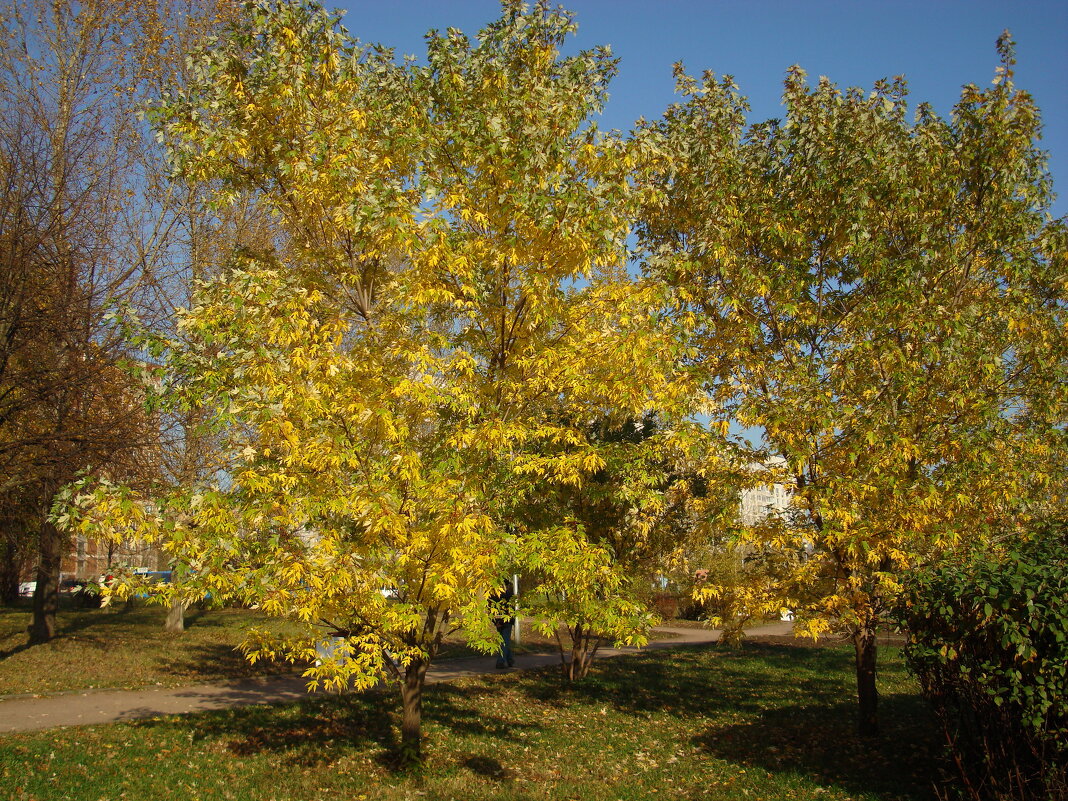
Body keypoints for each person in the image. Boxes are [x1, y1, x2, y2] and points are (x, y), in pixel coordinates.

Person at [490, 578, 516, 669]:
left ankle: (510, 660)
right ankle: (500, 662)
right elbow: (511, 609)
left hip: (498, 621)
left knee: (504, 641)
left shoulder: (493, 594)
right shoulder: (509, 594)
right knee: (505, 641)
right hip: (507, 621)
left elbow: (491, 609)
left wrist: (496, 622)